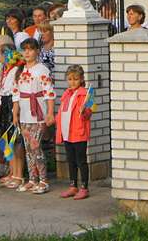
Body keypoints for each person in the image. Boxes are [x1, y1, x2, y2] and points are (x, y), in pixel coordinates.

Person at [13, 37, 55, 194]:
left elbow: (48, 92)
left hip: (38, 114)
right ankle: (32, 179)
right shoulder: (20, 70)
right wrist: (15, 113)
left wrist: (50, 113)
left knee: (36, 146)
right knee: (27, 148)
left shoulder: (42, 69)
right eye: (25, 49)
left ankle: (43, 179)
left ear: (37, 51)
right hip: (24, 114)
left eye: (31, 49)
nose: (27, 52)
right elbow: (16, 94)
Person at [56, 64, 93, 200]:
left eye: (76, 79)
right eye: (70, 79)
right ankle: (73, 185)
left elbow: (89, 113)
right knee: (70, 160)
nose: (72, 82)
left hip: (78, 133)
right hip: (67, 132)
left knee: (81, 160)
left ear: (81, 79)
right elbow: (62, 112)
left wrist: (85, 111)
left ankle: (84, 187)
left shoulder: (85, 94)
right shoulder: (66, 94)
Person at [0, 45, 25, 188]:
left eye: (0, 55)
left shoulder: (15, 71)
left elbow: (14, 93)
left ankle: (18, 175)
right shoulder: (6, 71)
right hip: (5, 104)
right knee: (5, 141)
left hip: (11, 105)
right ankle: (12, 172)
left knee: (14, 141)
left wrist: (14, 112)